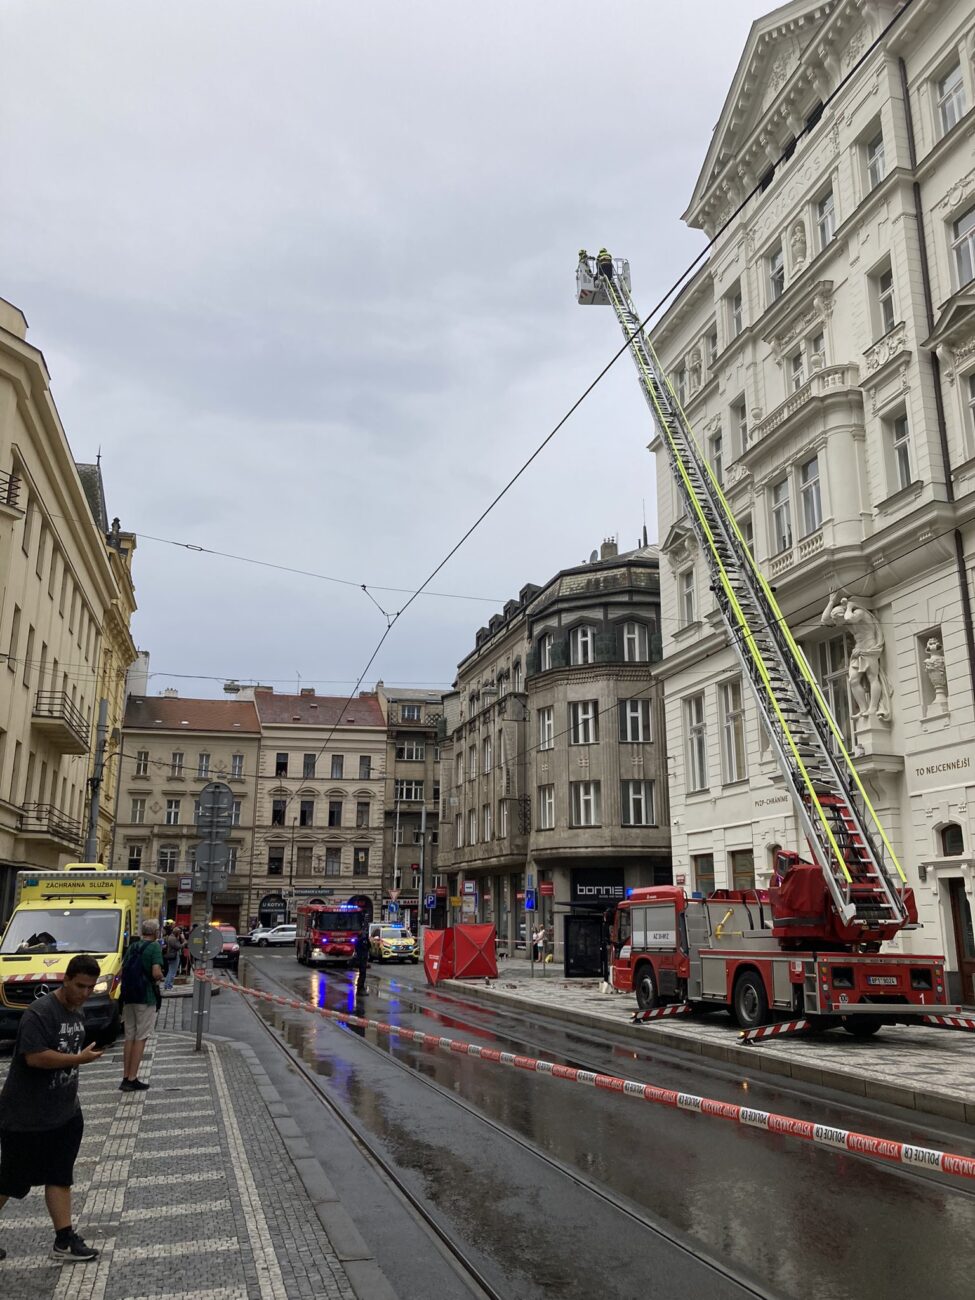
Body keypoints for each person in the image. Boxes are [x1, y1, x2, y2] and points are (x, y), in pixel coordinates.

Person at [0, 954, 104, 1263]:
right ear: (67, 980)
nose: (85, 993)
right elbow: (34, 1057)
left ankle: (64, 1240)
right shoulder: (40, 1013)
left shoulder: (76, 1011)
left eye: (91, 987)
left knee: (60, 1176)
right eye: (81, 986)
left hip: (65, 1113)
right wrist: (78, 1060)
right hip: (26, 1116)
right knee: (10, 1182)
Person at [119, 919, 164, 1092]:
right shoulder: (154, 947)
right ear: (155, 932)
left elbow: (123, 969)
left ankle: (125, 1076)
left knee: (129, 1036)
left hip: (129, 996)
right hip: (145, 997)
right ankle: (132, 1078)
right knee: (141, 1037)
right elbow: (156, 972)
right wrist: (160, 976)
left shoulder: (133, 947)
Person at [162, 924, 182, 991]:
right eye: (179, 933)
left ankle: (167, 985)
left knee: (170, 971)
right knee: (172, 972)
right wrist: (184, 942)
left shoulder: (171, 937)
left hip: (172, 955)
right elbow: (178, 946)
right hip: (174, 956)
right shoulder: (173, 938)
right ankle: (169, 986)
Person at [354, 923, 370, 994]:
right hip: (361, 959)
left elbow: (369, 946)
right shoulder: (360, 940)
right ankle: (360, 989)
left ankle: (361, 988)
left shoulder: (364, 939)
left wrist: (367, 939)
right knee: (362, 974)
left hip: (364, 958)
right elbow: (361, 949)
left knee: (363, 974)